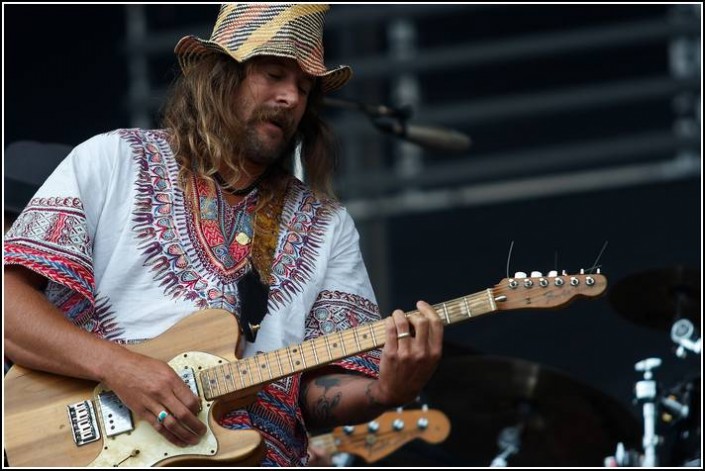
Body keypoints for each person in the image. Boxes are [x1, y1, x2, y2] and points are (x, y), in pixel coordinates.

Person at [3, 3, 443, 467]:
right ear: (219, 75)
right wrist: (118, 367)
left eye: (304, 87)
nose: (292, 98)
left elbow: (315, 394)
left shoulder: (326, 224)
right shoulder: (113, 160)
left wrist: (385, 392)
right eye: (274, 74)